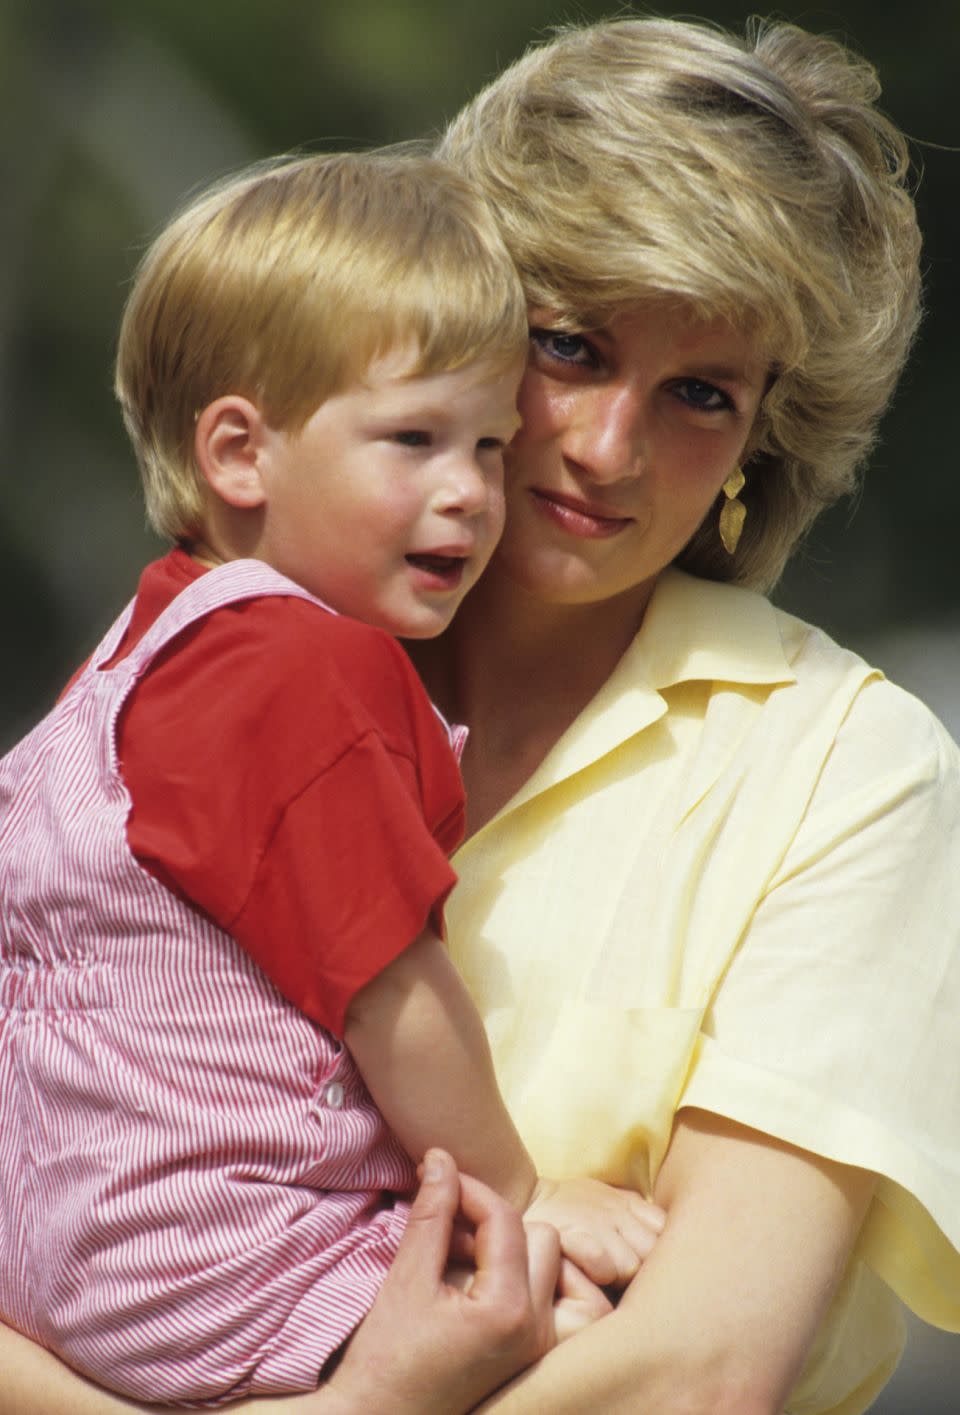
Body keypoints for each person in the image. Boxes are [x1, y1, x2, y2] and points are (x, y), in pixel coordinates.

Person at [2, 12, 959, 1415]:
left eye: (701, 392)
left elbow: (696, 1371)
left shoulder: (848, 764)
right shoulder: (211, 659)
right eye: (569, 345)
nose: (606, 445)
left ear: (767, 442)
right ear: (447, 313)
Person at [0, 149, 659, 1407]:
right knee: (584, 1330)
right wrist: (524, 1194)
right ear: (240, 453)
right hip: (225, 1266)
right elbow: (390, 993)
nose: (471, 493)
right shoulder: (305, 669)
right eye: (414, 439)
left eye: (490, 442)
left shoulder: (134, 658)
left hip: (54, 1268)